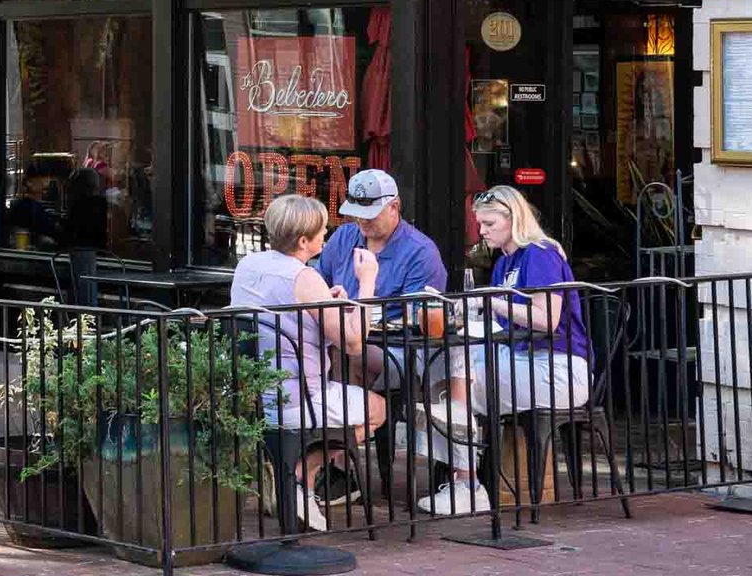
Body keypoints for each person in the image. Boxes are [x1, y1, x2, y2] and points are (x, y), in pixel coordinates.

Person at [415, 185, 594, 517]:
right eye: (480, 224)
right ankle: (465, 480)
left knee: (454, 381)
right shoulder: (503, 263)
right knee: (438, 372)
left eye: (489, 223)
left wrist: (491, 302)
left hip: (556, 367)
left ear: (514, 218)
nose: (482, 232)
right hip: (521, 359)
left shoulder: (540, 253)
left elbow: (546, 319)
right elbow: (501, 325)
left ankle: (468, 485)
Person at [230, 193, 386, 531]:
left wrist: (326, 301)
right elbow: (353, 343)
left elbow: (285, 313)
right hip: (300, 400)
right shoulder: (304, 277)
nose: (326, 235)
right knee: (378, 408)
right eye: (322, 230)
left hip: (256, 395)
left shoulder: (248, 265)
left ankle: (294, 479)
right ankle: (301, 475)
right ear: (303, 241)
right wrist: (368, 282)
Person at [317, 168, 448, 388]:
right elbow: (319, 283)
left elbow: (419, 321)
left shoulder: (420, 251)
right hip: (345, 335)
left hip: (399, 347)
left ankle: (352, 408)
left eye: (370, 214)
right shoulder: (343, 236)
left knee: (355, 353)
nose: (362, 220)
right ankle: (337, 405)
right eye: (357, 213)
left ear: (394, 207)